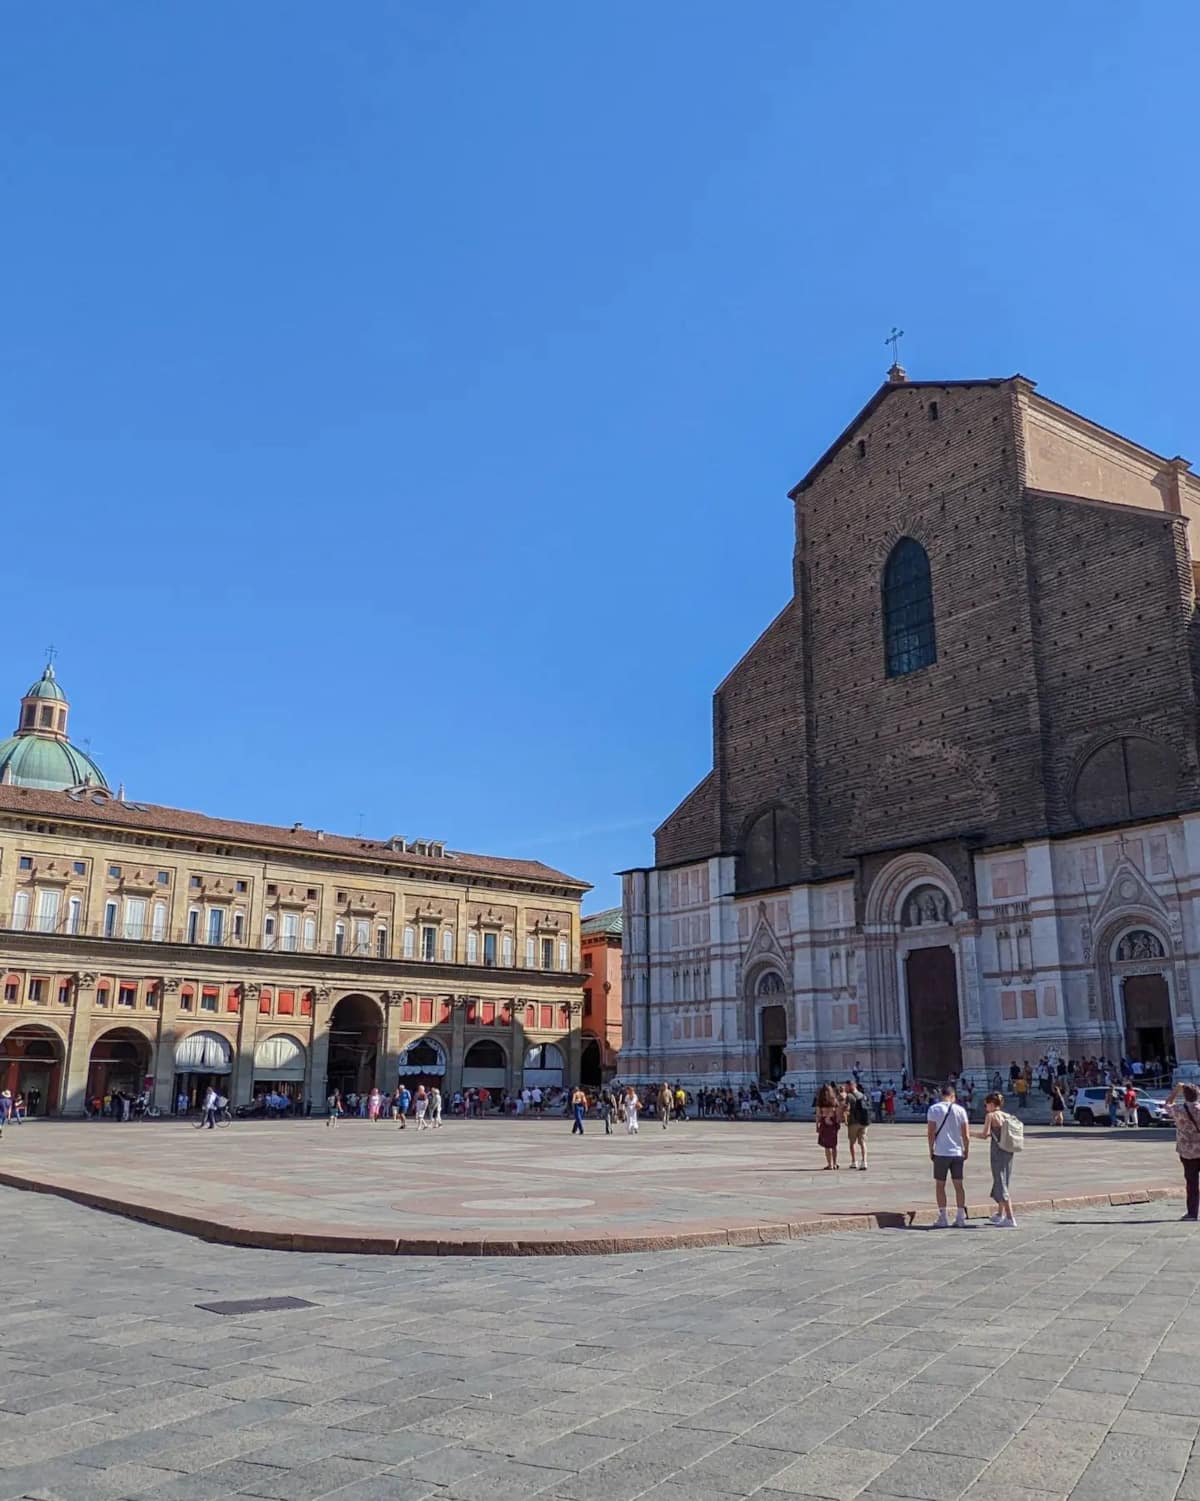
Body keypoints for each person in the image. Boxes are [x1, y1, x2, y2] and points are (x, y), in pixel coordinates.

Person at [926, 1083, 970, 1229]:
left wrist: (931, 1149)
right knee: (959, 1185)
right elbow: (966, 1135)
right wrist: (966, 1149)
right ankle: (960, 1217)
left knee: (940, 1185)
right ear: (953, 1096)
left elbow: (931, 1132)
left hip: (941, 1152)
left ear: (941, 1096)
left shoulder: (934, 1109)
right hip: (957, 1152)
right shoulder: (960, 1110)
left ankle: (943, 1217)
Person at [978, 1091, 1017, 1228]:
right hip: (1009, 1151)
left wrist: (968, 1133)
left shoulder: (991, 1115)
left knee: (1000, 1181)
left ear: (992, 1104)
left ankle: (1010, 1217)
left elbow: (985, 1134)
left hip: (997, 1152)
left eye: (986, 1105)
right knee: (1004, 1179)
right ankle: (1000, 1214)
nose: (985, 1107)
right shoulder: (1007, 1116)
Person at [1165, 1081, 1200, 1221]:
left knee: (1191, 1183)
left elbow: (1167, 1104)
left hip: (1187, 1152)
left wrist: (1176, 1090)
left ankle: (1192, 1213)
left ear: (1184, 1096)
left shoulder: (1179, 1109)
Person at [844, 1078, 870, 1170]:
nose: (845, 1088)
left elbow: (846, 1109)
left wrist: (845, 1119)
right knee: (862, 1142)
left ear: (850, 1086)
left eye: (846, 1086)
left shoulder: (849, 1096)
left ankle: (854, 1161)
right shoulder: (863, 1095)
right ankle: (864, 1162)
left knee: (852, 1143)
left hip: (853, 1122)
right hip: (864, 1122)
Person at [815, 1084, 841, 1170]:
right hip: (833, 1123)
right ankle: (835, 1163)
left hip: (824, 1124)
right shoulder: (834, 1100)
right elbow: (838, 1114)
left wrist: (817, 1126)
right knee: (834, 1144)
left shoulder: (820, 1101)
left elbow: (818, 1115)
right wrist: (837, 1123)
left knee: (827, 1145)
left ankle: (829, 1164)